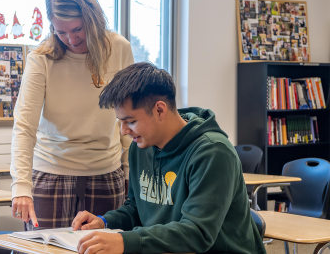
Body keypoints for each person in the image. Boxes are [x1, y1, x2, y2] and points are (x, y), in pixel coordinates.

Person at [71, 62, 266, 254]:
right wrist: (105, 222)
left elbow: (197, 233)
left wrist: (125, 241)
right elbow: (137, 208)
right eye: (121, 122)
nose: (123, 131)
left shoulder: (213, 152)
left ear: (159, 110)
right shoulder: (141, 146)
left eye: (131, 121)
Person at [11, 0, 134, 230]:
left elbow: (130, 116)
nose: (71, 39)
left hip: (107, 173)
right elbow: (24, 126)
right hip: (51, 174)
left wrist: (131, 170)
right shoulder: (41, 58)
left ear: (93, 19)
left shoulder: (118, 48)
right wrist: (21, 186)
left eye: (77, 29)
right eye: (61, 31)